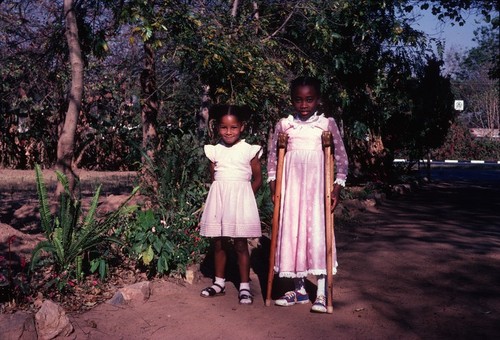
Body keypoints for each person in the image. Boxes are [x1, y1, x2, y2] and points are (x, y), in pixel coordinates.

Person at [267, 76, 349, 313]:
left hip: (317, 190)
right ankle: (300, 290)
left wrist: (337, 187)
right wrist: (274, 186)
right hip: (292, 190)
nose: (304, 105)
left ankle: (322, 292)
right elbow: (273, 158)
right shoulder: (284, 125)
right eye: (298, 100)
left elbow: (341, 159)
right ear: (292, 100)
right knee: (293, 232)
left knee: (318, 233)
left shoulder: (326, 124)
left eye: (309, 100)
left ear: (318, 100)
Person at [199, 104, 263, 305]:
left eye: (233, 127)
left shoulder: (249, 150)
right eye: (224, 127)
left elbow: (258, 179)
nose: (229, 132)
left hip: (240, 203)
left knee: (240, 244)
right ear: (217, 128)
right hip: (220, 201)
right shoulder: (214, 151)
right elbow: (215, 178)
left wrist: (245, 199)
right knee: (218, 242)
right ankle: (219, 283)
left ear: (241, 127)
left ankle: (244, 285)